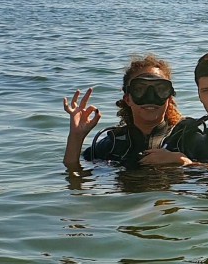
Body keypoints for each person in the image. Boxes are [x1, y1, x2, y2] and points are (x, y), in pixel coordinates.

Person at [63, 54, 192, 176]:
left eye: (160, 89)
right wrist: (76, 137)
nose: (150, 97)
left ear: (169, 98)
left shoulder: (186, 139)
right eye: (140, 89)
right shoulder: (113, 145)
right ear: (127, 99)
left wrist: (185, 162)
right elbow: (74, 174)